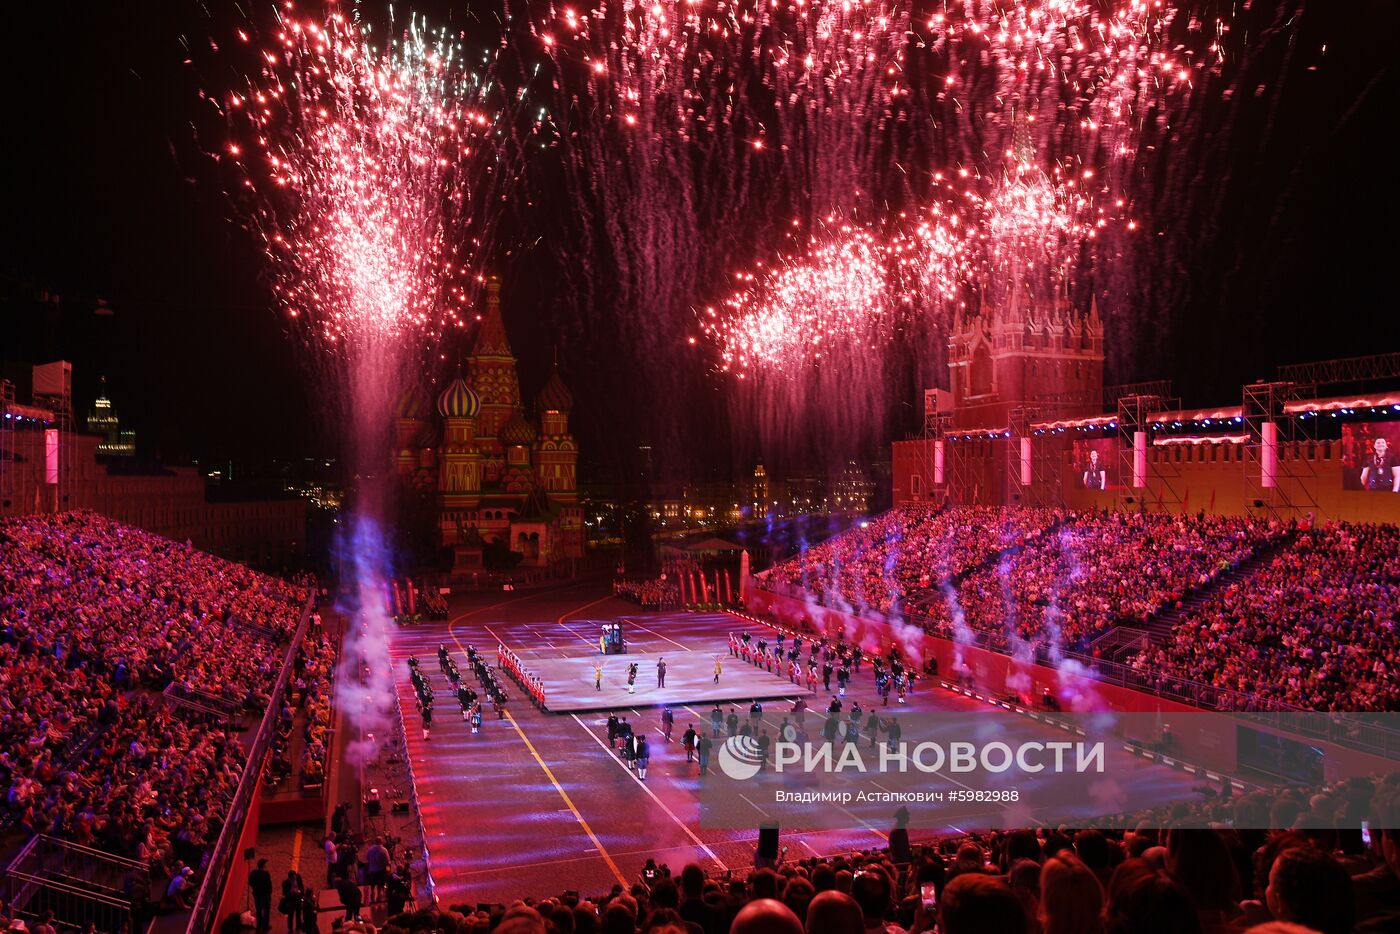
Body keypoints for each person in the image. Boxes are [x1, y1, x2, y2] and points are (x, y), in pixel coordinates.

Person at [249, 858, 274, 933]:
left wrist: (255, 888)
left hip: (257, 895)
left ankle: (259, 925)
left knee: (258, 910)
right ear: (263, 865)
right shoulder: (266, 874)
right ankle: (265, 926)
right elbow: (269, 885)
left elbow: (250, 882)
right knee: (266, 911)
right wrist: (269, 893)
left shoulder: (253, 873)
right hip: (265, 895)